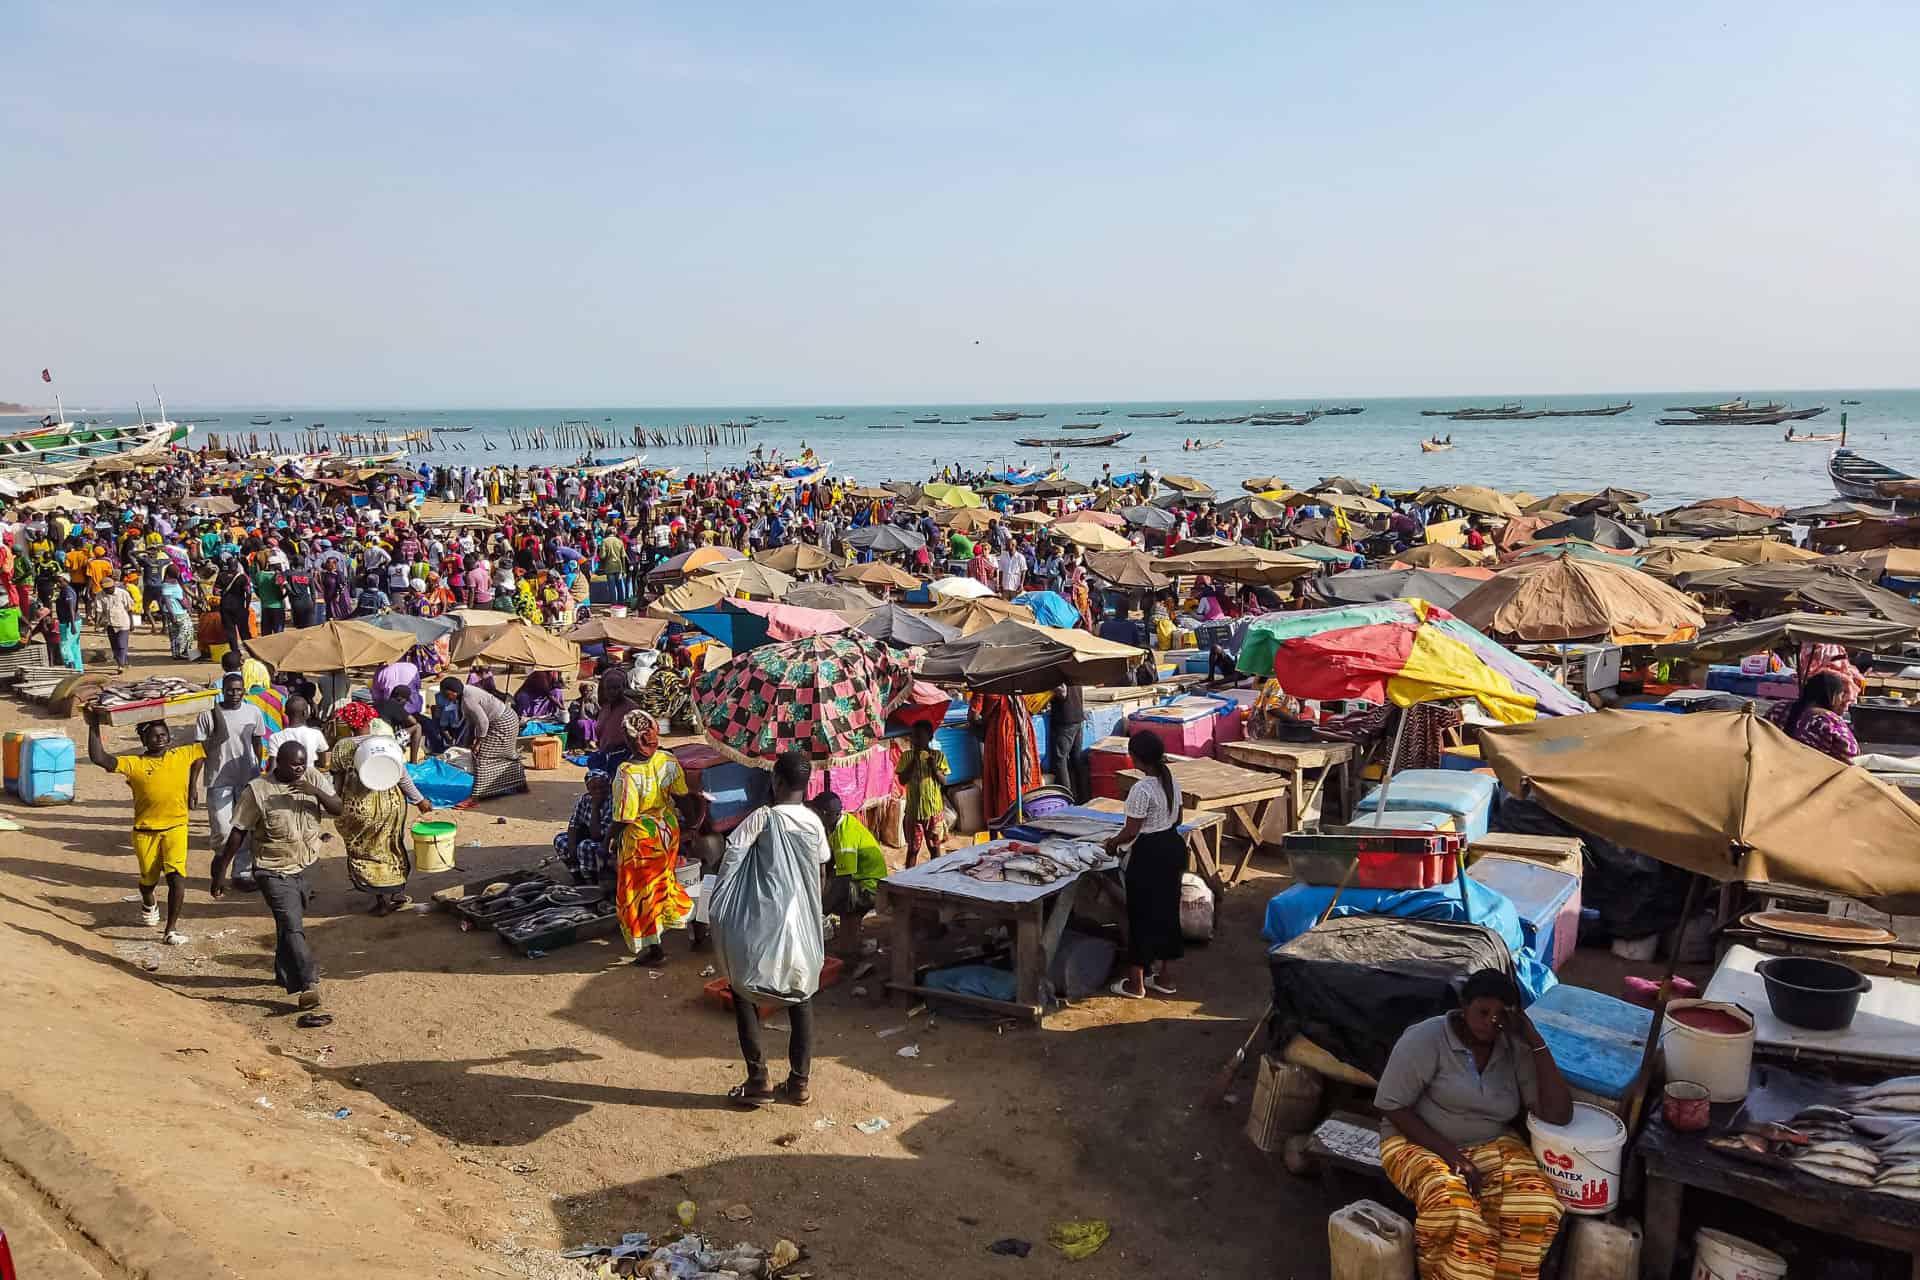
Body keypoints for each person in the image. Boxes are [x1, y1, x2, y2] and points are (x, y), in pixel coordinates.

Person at [1374, 970, 1572, 1280]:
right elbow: (1391, 1105)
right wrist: (1452, 1155)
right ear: (1464, 1007)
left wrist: (1533, 1040)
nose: (1491, 1022)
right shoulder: (1427, 1038)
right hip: (1415, 1140)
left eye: (1501, 1015)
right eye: (1483, 1012)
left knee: (1538, 1205)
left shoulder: (1513, 1046)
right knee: (1453, 1207)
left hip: (1493, 1143)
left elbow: (1558, 1114)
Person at [717, 750, 830, 1107]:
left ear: (776, 781)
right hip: (803, 925)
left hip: (762, 924)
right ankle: (799, 1084)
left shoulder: (762, 819)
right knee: (802, 996)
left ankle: (759, 1079)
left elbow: (731, 859)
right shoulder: (814, 822)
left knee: (743, 993)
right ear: (805, 784)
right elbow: (821, 871)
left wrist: (721, 907)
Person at [213, 741, 343, 1010]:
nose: (299, 768)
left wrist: (314, 790)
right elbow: (238, 832)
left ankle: (284, 975)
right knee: (293, 925)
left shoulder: (312, 777)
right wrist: (221, 872)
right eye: (293, 764)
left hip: (307, 864)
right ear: (278, 763)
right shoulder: (257, 791)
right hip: (272, 870)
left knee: (288, 924)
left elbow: (337, 808)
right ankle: (309, 984)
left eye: (302, 762)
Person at [88, 714, 205, 945]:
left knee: (177, 879)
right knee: (148, 881)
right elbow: (99, 758)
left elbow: (215, 741)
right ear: (144, 740)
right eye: (154, 736)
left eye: (163, 734)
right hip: (145, 831)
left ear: (170, 736)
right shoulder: (135, 764)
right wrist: (93, 724)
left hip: (177, 827)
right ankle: (148, 900)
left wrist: (215, 706)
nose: (160, 739)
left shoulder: (182, 755)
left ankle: (170, 930)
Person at [609, 709, 697, 965]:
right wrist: (691, 825)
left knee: (639, 893)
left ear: (628, 739)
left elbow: (623, 817)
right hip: (667, 832)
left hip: (641, 840)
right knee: (662, 882)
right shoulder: (668, 761)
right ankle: (692, 920)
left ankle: (655, 949)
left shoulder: (627, 772)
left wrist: (608, 840)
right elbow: (683, 797)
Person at [1103, 731, 1186, 999]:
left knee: (1139, 916)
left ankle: (1136, 983)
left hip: (1150, 852)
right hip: (1173, 847)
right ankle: (1165, 978)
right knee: (1167, 911)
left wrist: (1112, 843)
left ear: (1135, 758)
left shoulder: (1142, 788)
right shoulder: (1170, 779)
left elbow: (1130, 831)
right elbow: (1178, 818)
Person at [332, 721, 434, 915]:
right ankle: (397, 892)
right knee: (392, 845)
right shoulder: (388, 743)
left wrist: (336, 803)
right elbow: (403, 777)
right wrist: (420, 800)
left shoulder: (342, 747)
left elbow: (338, 783)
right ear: (370, 723)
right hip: (391, 806)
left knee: (366, 850)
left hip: (360, 808)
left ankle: (380, 900)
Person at [197, 671, 269, 890]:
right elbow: (198, 751)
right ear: (222, 691)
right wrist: (192, 785)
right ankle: (220, 858)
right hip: (218, 780)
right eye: (230, 690)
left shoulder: (254, 712)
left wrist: (258, 769)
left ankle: (242, 874)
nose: (234, 694)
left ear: (244, 691)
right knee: (222, 829)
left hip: (247, 778)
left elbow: (257, 742)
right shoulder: (209, 715)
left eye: (238, 690)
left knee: (246, 829)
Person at [811, 789, 887, 957]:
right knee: (837, 894)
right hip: (862, 879)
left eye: (816, 814)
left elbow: (843, 880)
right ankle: (851, 941)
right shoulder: (838, 825)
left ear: (825, 814)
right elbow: (830, 862)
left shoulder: (845, 834)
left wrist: (821, 910)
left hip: (870, 886)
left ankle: (850, 948)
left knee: (843, 899)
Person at [439, 675, 528, 800]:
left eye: (446, 694)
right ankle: (519, 783)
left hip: (503, 723)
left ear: (454, 692)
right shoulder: (465, 691)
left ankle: (478, 795)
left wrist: (478, 743)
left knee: (483, 757)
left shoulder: (467, 699)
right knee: (507, 754)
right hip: (507, 718)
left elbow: (483, 722)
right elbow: (472, 722)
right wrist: (472, 739)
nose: (446, 698)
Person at [968, 690, 1040, 823]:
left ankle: (1007, 818)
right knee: (1022, 768)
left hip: (1001, 733)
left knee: (1006, 772)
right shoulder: (1020, 676)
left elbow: (974, 714)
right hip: (1023, 727)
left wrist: (979, 725)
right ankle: (1030, 811)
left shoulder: (985, 681)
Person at [1766, 670, 1859, 762]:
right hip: (1816, 772)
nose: (1843, 700)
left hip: (1773, 765)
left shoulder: (1778, 709)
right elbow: (1851, 756)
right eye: (1841, 695)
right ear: (1833, 696)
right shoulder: (1829, 721)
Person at [895, 719, 948, 867]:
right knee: (912, 850)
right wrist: (913, 762)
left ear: (930, 738)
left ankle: (935, 880)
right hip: (913, 813)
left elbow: (944, 781)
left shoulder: (938, 756)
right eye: (913, 736)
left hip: (933, 813)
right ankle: (908, 880)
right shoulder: (906, 756)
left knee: (934, 849)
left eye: (919, 737)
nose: (915, 740)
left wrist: (934, 768)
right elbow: (902, 780)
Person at [1048, 679, 1089, 802]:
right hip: (1077, 717)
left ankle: (1068, 799)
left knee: (1060, 760)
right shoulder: (1073, 669)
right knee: (1077, 759)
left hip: (1065, 719)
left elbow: (1062, 692)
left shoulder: (1057, 669)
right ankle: (1083, 797)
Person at [266, 695, 329, 768]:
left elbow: (273, 768)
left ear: (286, 713)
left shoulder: (275, 737)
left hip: (285, 778)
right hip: (309, 777)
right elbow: (322, 763)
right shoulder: (316, 734)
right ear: (305, 713)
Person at [97, 574, 136, 673]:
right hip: (110, 624)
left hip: (123, 623)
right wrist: (97, 623)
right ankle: (124, 661)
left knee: (121, 644)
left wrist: (132, 623)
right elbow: (99, 610)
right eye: (105, 589)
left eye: (109, 588)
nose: (108, 591)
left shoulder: (123, 593)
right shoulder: (100, 595)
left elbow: (130, 609)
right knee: (114, 646)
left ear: (113, 586)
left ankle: (120, 665)